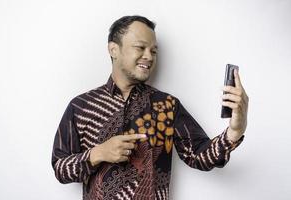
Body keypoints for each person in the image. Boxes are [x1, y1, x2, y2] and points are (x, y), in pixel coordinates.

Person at [51, 15, 249, 200]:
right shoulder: (81, 106)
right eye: (140, 47)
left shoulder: (167, 106)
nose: (149, 56)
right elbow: (60, 169)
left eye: (153, 51)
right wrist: (97, 154)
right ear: (113, 49)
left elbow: (200, 157)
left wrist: (235, 131)